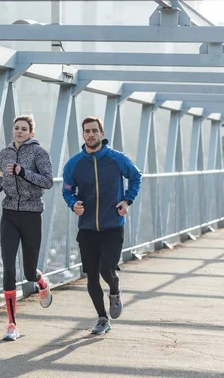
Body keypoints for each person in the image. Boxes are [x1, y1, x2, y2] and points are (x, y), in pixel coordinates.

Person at [62, 116, 142, 335]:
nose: (90, 135)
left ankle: (114, 289)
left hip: (112, 225)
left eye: (94, 131)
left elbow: (136, 177)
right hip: (87, 228)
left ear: (102, 134)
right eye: (87, 131)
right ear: (83, 135)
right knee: (92, 275)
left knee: (106, 268)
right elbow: (67, 190)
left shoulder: (117, 159)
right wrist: (73, 204)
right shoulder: (75, 164)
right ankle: (102, 318)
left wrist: (127, 200)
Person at [0, 115, 54, 341]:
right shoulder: (5, 153)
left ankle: (41, 282)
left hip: (31, 214)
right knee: (8, 268)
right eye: (16, 128)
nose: (18, 131)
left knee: (28, 272)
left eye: (23, 129)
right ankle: (11, 324)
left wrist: (23, 172)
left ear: (31, 133)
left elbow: (48, 181)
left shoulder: (39, 153)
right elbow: (1, 175)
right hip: (9, 213)